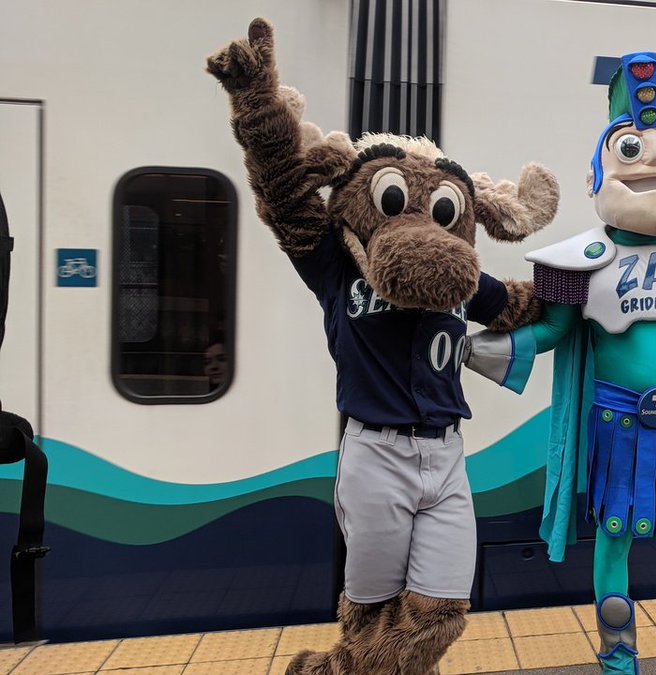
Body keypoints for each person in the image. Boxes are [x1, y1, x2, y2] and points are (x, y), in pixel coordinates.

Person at [206, 18, 558, 675]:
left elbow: (519, 302)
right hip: (375, 455)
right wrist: (256, 107)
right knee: (372, 612)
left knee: (442, 608)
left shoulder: (459, 279)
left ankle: (337, 671)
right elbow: (283, 196)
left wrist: (596, 284)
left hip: (446, 455)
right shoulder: (335, 267)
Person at [467, 52, 656, 675]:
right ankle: (618, 664)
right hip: (617, 425)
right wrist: (467, 349)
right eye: (631, 150)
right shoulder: (583, 261)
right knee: (614, 541)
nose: (655, 160)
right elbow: (552, 331)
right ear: (597, 174)